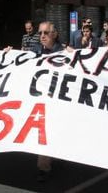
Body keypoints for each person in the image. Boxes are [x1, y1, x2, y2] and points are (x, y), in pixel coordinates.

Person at [31, 21, 64, 181]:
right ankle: (43, 168)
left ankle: (54, 156)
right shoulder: (35, 51)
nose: (42, 36)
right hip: (39, 100)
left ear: (54, 34)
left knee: (54, 132)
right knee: (43, 132)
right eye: (40, 33)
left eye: (46, 33)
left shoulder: (65, 52)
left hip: (57, 101)